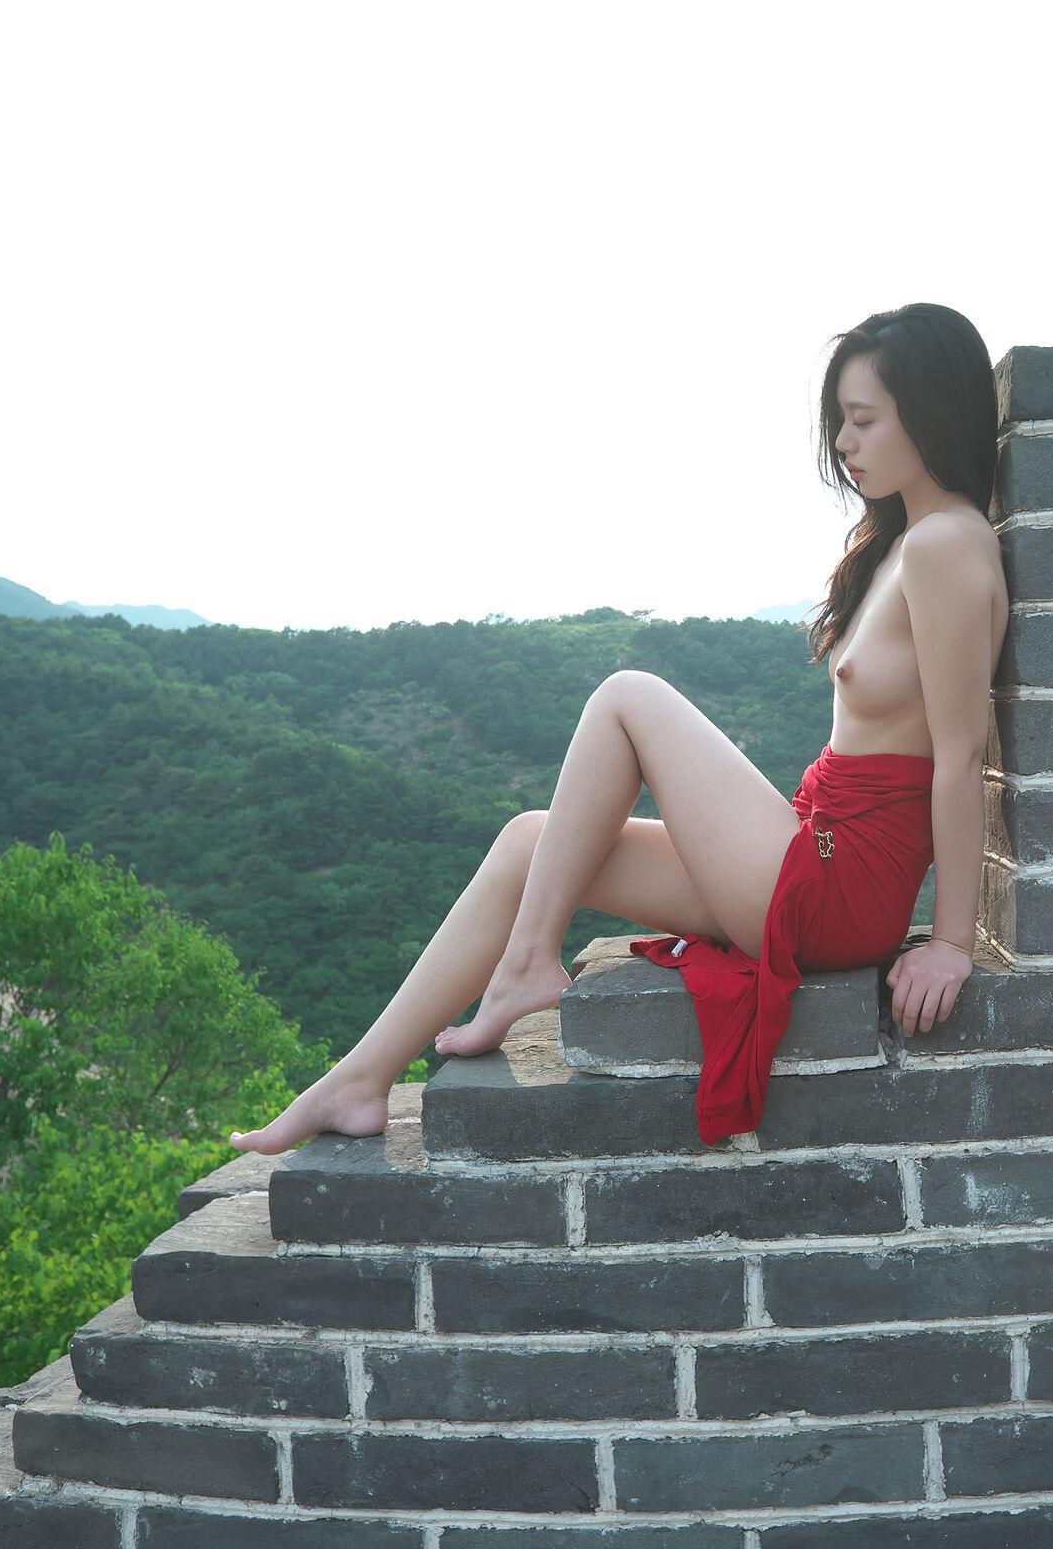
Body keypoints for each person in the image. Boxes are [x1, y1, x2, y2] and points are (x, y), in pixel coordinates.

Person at [229, 303, 1008, 1154]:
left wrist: (950, 942)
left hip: (841, 882)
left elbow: (961, 754)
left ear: (930, 413)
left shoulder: (945, 546)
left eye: (863, 420)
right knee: (532, 842)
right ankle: (359, 1079)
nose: (844, 443)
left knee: (627, 694)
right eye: (840, 422)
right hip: (813, 845)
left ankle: (527, 965)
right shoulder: (902, 539)